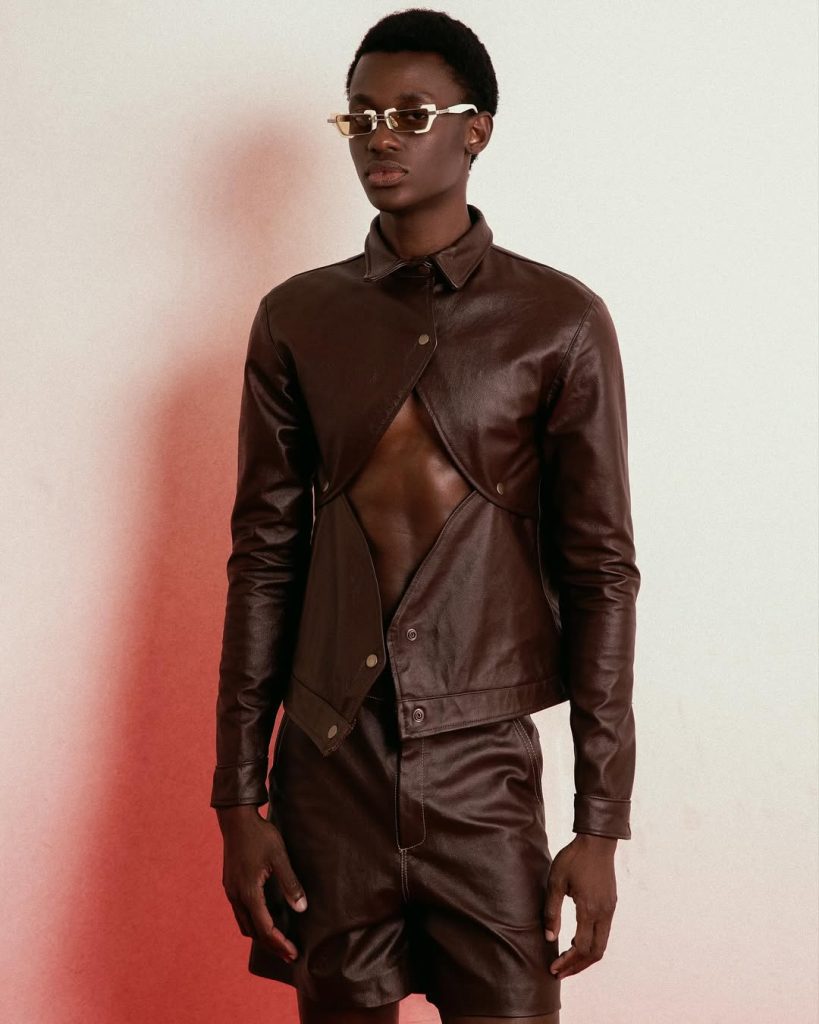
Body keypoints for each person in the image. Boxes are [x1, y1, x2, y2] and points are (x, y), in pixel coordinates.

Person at [211, 9, 640, 1024]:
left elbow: (600, 573)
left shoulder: (559, 321)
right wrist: (237, 797)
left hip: (483, 770)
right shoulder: (296, 318)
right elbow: (263, 559)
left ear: (475, 130)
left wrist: (600, 822)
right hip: (328, 768)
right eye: (360, 116)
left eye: (410, 114)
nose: (380, 137)